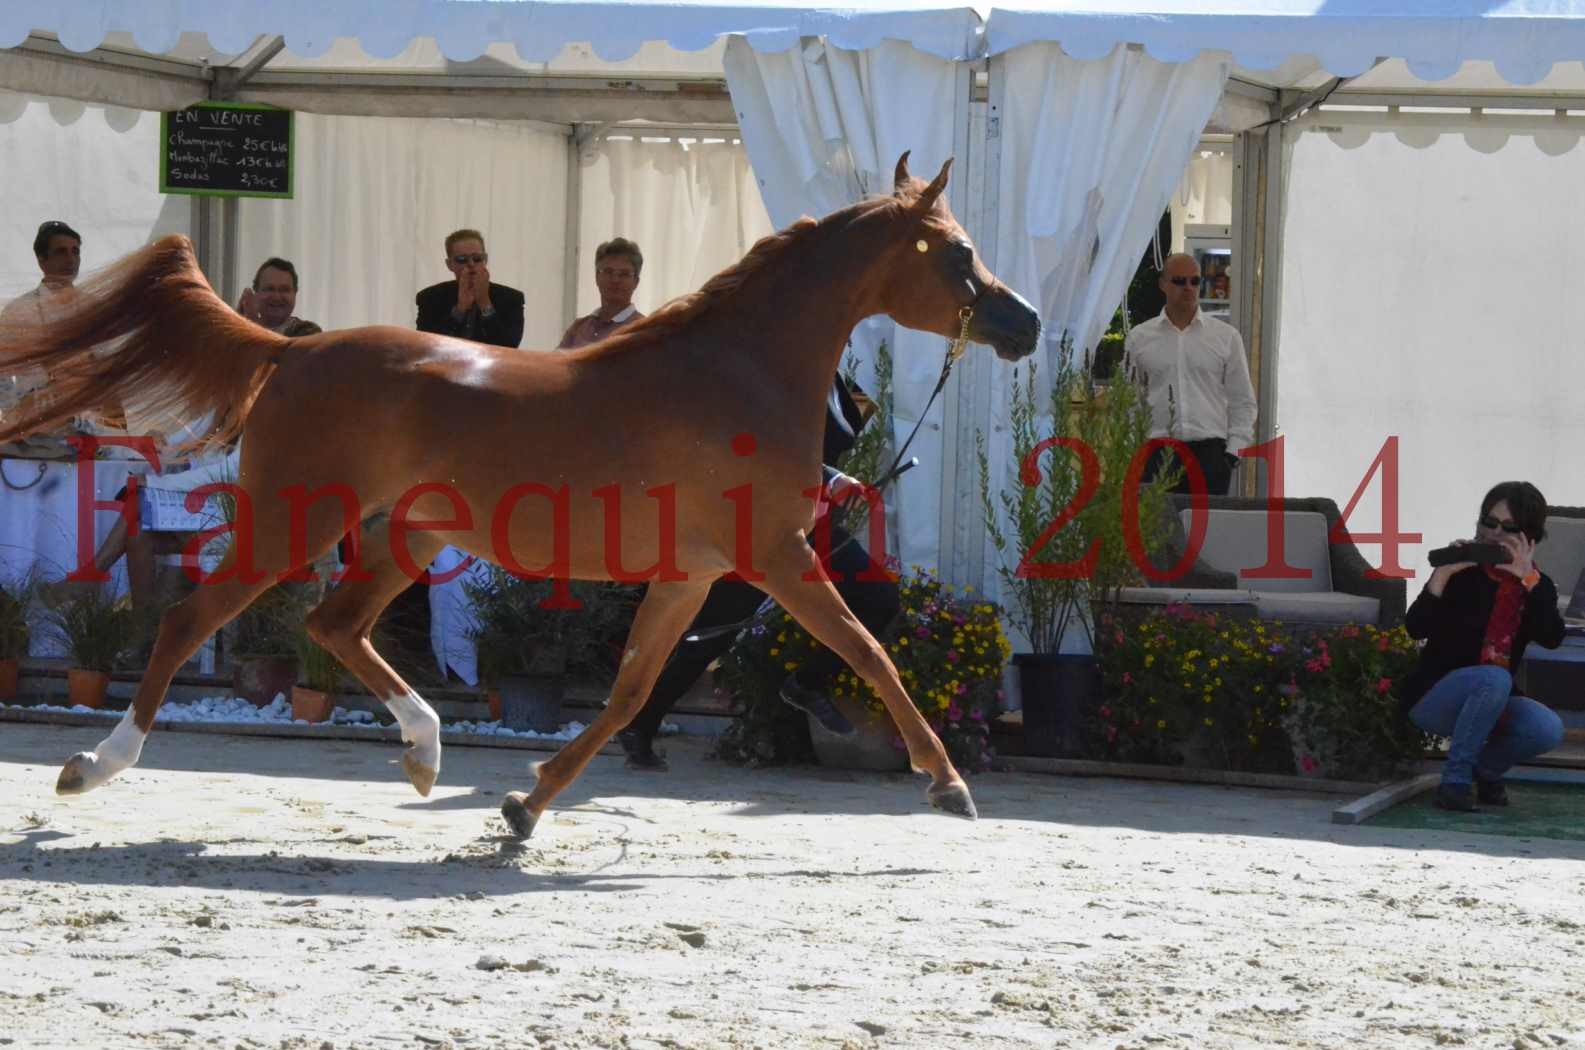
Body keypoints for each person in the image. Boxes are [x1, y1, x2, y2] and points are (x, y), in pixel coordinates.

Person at [617, 373, 900, 771]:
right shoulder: (772, 371)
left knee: (879, 600)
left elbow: (841, 430)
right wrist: (830, 478)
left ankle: (807, 683)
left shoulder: (837, 380)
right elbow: (757, 445)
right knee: (714, 633)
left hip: (810, 525)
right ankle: (639, 723)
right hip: (757, 527)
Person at [1401, 481, 1567, 812]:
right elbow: (1415, 627)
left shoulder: (1537, 585)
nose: (1493, 534)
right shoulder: (1462, 572)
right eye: (1488, 522)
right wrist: (1441, 576)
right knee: (1493, 678)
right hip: (1434, 696)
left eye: (1508, 528)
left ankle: (1485, 770)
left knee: (1546, 728)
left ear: (1529, 538)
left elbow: (1552, 637)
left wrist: (1528, 582)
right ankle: (1455, 782)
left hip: (1494, 700)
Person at [1125, 252, 1257, 496]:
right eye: (1179, 281)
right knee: (1158, 532)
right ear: (1163, 284)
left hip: (1210, 454)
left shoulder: (1225, 337)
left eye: (1194, 281)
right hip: (1157, 453)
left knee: (1206, 532)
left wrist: (1232, 454)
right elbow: (1130, 401)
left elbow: (1242, 400)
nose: (1188, 288)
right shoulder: (1139, 339)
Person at [0, 220, 84, 425]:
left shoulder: (95, 307)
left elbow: (112, 366)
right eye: (61, 252)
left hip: (89, 424)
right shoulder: (18, 312)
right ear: (41, 261)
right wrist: (15, 420)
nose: (71, 259)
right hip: (35, 428)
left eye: (75, 251)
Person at [416, 229, 525, 348]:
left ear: (485, 260)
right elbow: (427, 346)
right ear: (449, 264)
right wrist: (460, 309)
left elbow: (509, 347)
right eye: (462, 260)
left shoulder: (511, 299)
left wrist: (485, 303)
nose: (471, 264)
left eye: (477, 258)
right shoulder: (430, 298)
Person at [557, 238, 646, 350]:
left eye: (624, 274)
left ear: (636, 282)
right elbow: (554, 364)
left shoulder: (643, 331)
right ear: (596, 277)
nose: (615, 279)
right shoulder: (578, 327)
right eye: (608, 272)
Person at [236, 257, 322, 336]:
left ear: (295, 293)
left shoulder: (308, 332)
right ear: (256, 293)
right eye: (269, 289)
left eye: (284, 290)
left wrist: (252, 327)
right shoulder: (237, 331)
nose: (276, 297)